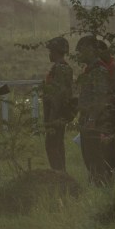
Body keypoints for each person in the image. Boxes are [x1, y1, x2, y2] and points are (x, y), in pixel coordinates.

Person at [76, 35, 115, 185]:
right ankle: (98, 186)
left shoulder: (98, 71)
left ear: (90, 50)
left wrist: (91, 120)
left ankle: (103, 188)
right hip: (89, 121)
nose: (79, 54)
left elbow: (100, 99)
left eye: (81, 50)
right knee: (90, 160)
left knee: (97, 160)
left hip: (96, 124)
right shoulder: (90, 70)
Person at [42, 36, 75, 172]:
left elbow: (58, 96)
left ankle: (59, 175)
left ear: (56, 52)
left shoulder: (60, 68)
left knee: (53, 145)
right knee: (55, 145)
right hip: (56, 114)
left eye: (51, 51)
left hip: (56, 115)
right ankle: (60, 174)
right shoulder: (59, 68)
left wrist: (51, 120)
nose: (49, 54)